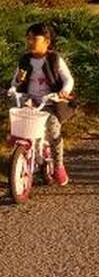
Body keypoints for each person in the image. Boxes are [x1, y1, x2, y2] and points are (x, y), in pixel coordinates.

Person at [10, 22, 76, 187]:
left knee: (53, 130)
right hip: (29, 100)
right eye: (28, 38)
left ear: (47, 41)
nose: (30, 42)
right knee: (21, 125)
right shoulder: (25, 60)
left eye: (34, 39)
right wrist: (17, 81)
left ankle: (58, 165)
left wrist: (64, 91)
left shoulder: (54, 59)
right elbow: (14, 82)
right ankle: (21, 156)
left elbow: (68, 79)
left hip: (49, 101)